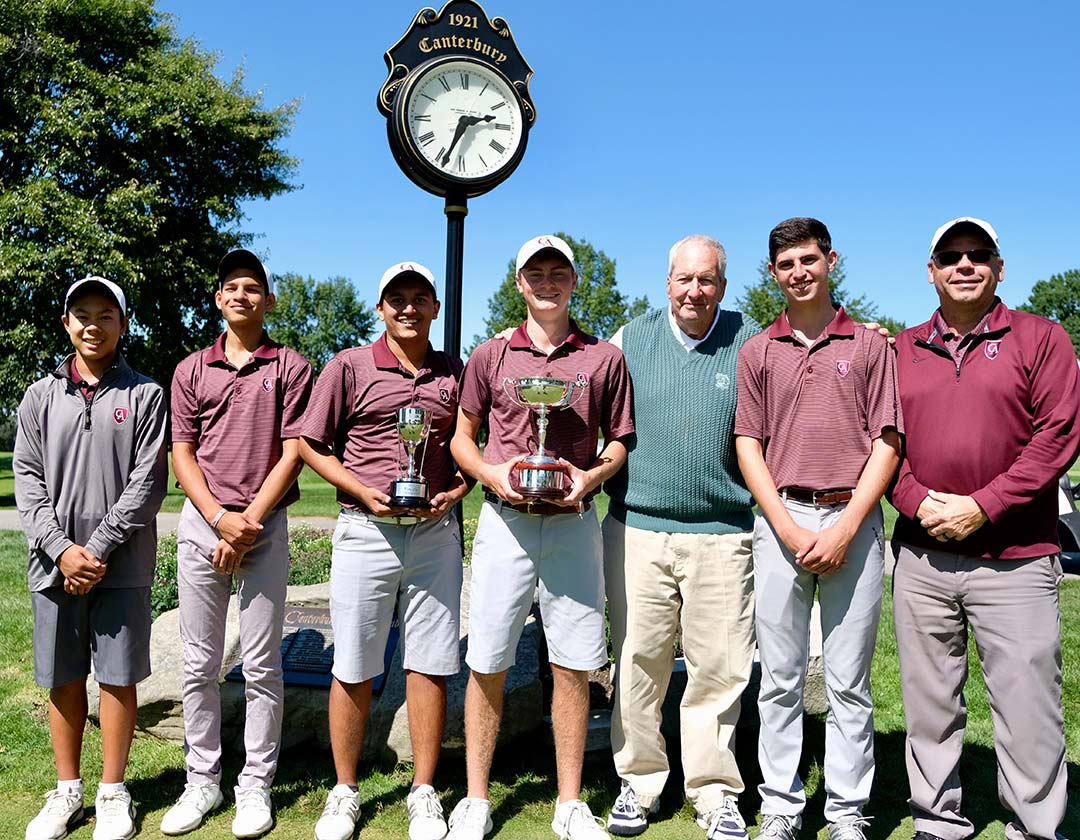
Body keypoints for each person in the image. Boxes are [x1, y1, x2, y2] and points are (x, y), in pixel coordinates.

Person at [888, 217, 1080, 840]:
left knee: (1027, 705)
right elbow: (883, 443)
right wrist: (917, 502)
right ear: (931, 271)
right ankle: (938, 820)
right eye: (951, 256)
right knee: (929, 702)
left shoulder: (1042, 338)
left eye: (978, 255)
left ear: (1000, 267)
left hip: (1016, 557)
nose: (964, 265)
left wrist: (984, 505)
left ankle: (1032, 825)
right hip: (923, 558)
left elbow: (1058, 437)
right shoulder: (900, 349)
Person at [447, 235, 634, 840]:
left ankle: (570, 802)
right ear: (519, 283)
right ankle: (476, 797)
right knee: (489, 658)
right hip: (506, 521)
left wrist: (591, 476)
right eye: (536, 273)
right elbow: (459, 438)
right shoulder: (490, 355)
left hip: (574, 523)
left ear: (574, 281)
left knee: (575, 663)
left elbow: (619, 440)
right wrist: (493, 472)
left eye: (558, 272)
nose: (547, 282)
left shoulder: (602, 357)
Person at [734, 218, 902, 840]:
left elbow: (888, 441)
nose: (799, 273)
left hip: (852, 519)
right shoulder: (758, 349)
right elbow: (749, 442)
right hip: (781, 518)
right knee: (778, 678)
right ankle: (780, 803)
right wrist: (785, 525)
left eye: (809, 260)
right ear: (773, 273)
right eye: (786, 264)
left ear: (831, 260)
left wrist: (846, 526)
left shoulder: (869, 345)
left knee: (847, 680)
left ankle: (847, 810)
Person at [301, 262, 471, 840]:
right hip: (365, 528)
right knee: (352, 661)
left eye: (419, 298)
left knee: (429, 662)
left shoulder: (455, 371)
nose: (407, 308)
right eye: (395, 299)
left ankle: (423, 791)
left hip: (434, 532)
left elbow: (474, 446)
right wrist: (358, 489)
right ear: (380, 309)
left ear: (435, 309)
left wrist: (456, 490)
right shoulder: (349, 365)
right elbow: (309, 443)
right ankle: (344, 790)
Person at [602, 234, 760, 840]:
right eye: (685, 279)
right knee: (639, 662)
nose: (695, 290)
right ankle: (638, 784)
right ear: (666, 281)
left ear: (724, 284)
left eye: (709, 280)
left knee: (718, 668)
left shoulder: (749, 341)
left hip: (722, 532)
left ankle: (715, 792)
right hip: (637, 527)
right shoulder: (631, 339)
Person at [161, 249, 313, 838]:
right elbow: (182, 452)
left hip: (265, 523)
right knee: (199, 661)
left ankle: (256, 784)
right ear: (218, 299)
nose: (242, 295)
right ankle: (202, 779)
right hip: (204, 523)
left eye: (253, 287)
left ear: (268, 301)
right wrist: (219, 517)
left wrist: (247, 520)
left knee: (260, 664)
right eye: (231, 287)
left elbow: (294, 449)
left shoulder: (291, 367)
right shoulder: (191, 370)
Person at [15, 276, 168, 840]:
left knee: (118, 677)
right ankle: (67, 791)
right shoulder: (37, 396)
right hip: (51, 564)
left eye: (106, 315)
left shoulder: (146, 395)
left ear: (122, 325)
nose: (92, 325)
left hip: (120, 565)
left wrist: (96, 549)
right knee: (62, 678)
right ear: (65, 323)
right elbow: (26, 478)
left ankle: (112, 792)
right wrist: (60, 550)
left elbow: (147, 485)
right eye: (82, 314)